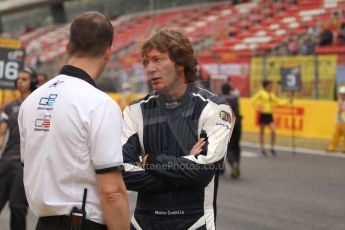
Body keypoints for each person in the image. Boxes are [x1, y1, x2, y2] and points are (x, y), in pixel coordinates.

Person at [18, 12, 130, 230]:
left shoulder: (30, 102)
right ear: (108, 52)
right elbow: (112, 192)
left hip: (43, 223)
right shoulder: (100, 104)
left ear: (68, 48)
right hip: (82, 223)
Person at [122, 27, 234, 230]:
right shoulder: (134, 111)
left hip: (194, 223)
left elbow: (202, 172)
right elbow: (123, 172)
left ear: (180, 62)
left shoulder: (215, 109)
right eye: (146, 61)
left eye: (157, 59)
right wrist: (182, 168)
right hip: (143, 224)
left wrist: (150, 160)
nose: (149, 68)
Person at [0, 67, 37, 230]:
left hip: (25, 164)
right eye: (18, 79)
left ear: (33, 82)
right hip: (6, 160)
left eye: (24, 79)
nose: (19, 82)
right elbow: (1, 133)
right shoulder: (9, 107)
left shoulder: (38, 106)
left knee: (17, 207)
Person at [251, 80, 289, 156]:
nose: (271, 87)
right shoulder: (261, 93)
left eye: (271, 86)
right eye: (269, 86)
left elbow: (278, 102)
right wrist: (258, 108)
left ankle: (272, 148)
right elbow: (252, 101)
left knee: (273, 131)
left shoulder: (271, 94)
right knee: (262, 132)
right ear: (266, 86)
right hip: (263, 114)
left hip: (269, 115)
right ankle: (262, 148)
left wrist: (288, 101)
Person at [220, 82, 242, 179]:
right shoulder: (235, 99)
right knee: (236, 146)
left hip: (227, 126)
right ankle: (236, 164)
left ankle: (230, 164)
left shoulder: (220, 100)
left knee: (227, 147)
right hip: (237, 124)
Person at [328, 86, 345, 152]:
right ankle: (332, 147)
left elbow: (341, 110)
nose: (341, 96)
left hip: (344, 121)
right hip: (339, 121)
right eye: (341, 94)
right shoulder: (340, 101)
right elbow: (339, 110)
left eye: (343, 94)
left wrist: (341, 108)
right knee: (335, 135)